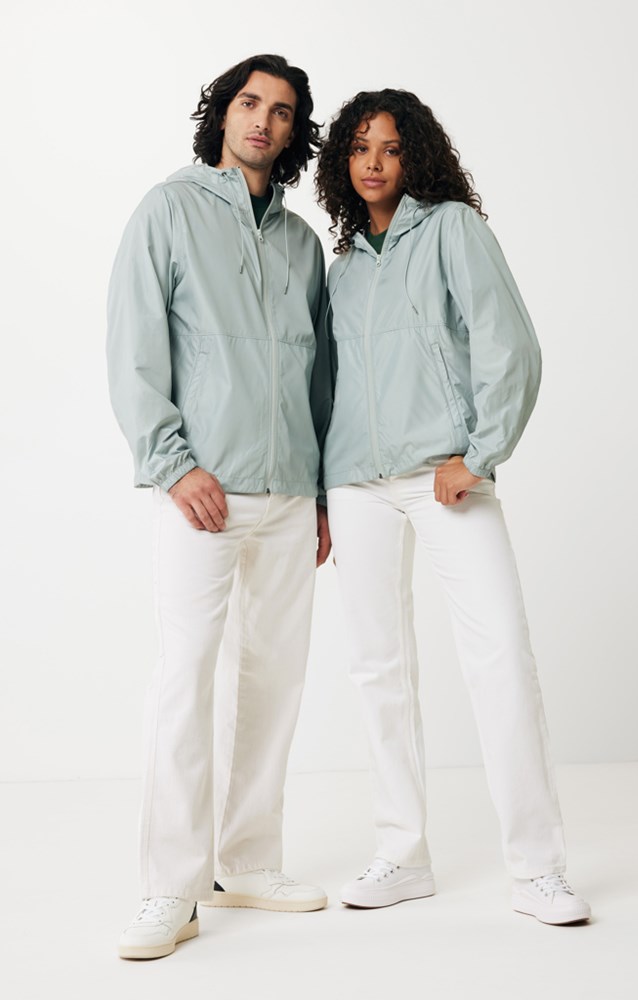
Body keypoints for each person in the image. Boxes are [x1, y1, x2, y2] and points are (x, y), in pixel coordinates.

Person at [315, 89, 591, 925]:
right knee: (377, 668)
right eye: (359, 148)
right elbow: (322, 386)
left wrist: (477, 453)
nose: (373, 163)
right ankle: (401, 855)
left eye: (391, 148)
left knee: (498, 654)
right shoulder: (342, 268)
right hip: (354, 482)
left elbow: (511, 344)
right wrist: (320, 494)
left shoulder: (452, 230)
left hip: (445, 476)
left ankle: (536, 869)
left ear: (416, 157)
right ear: (341, 161)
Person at [107, 54, 334, 960]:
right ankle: (171, 887)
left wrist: (320, 494)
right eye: (249, 102)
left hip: (289, 496)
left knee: (273, 681)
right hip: (201, 493)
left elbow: (320, 379)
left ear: (294, 132)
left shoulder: (303, 244)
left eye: (281, 111)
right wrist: (173, 465)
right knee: (185, 678)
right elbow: (134, 349)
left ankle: (247, 860)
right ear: (224, 113)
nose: (263, 121)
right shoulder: (167, 210)